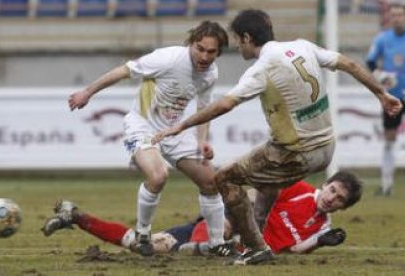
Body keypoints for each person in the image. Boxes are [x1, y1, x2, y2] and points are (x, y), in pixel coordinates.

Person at [152, 9, 402, 265]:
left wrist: (181, 126)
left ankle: (255, 246)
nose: (238, 46)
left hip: (296, 151)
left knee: (224, 178)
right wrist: (381, 94)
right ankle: (255, 231)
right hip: (326, 149)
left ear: (248, 38)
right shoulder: (303, 46)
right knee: (268, 179)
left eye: (238, 40)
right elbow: (348, 64)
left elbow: (225, 105)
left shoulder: (262, 68)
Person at [65, 21, 232, 257]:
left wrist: (202, 141)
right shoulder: (168, 59)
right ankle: (143, 234)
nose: (204, 56)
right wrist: (87, 92)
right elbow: (123, 71)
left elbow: (204, 110)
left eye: (211, 52)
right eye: (200, 48)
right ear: (191, 44)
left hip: (174, 131)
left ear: (219, 52)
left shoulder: (210, 74)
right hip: (142, 125)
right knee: (158, 175)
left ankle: (216, 244)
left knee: (210, 181)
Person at [40, 171, 362, 256]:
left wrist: (321, 243)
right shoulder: (299, 188)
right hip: (226, 227)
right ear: (327, 184)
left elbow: (294, 249)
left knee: (145, 246)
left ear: (343, 208)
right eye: (333, 191)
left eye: (339, 200)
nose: (331, 199)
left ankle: (76, 216)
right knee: (221, 228)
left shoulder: (322, 228)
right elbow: (254, 192)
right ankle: (203, 246)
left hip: (237, 247)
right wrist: (244, 220)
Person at [366, 3, 405, 197]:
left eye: (400, 15)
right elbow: (371, 62)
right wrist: (380, 75)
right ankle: (387, 185)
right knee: (389, 139)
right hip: (393, 97)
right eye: (394, 15)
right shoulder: (383, 39)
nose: (397, 18)